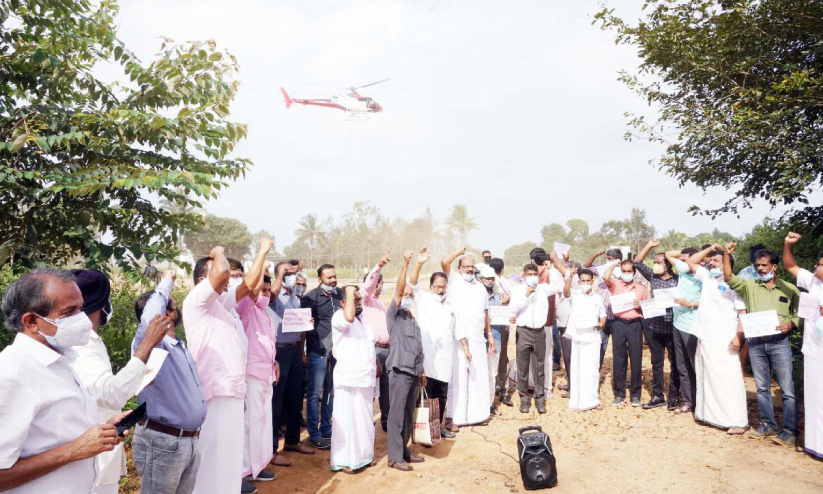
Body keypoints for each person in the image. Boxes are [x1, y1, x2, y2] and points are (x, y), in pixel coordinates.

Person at [0, 269, 129, 494]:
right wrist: (74, 450)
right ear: (31, 321)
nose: (83, 320)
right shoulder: (12, 374)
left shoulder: (63, 361)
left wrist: (102, 433)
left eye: (80, 308)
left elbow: (58, 435)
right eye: (69, 312)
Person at [69, 269, 166, 494]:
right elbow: (111, 394)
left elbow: (98, 390)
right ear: (103, 305)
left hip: (100, 444)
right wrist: (147, 344)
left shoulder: (88, 340)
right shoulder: (83, 344)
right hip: (93, 461)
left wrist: (138, 379)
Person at [184, 244, 251, 494]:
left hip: (231, 391)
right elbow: (222, 269)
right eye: (219, 276)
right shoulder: (196, 302)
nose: (226, 280)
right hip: (212, 392)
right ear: (203, 280)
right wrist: (217, 250)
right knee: (211, 459)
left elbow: (246, 286)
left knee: (229, 460)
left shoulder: (222, 305)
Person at [132, 271, 207, 494]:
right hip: (163, 442)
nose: (179, 311)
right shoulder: (152, 343)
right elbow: (148, 320)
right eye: (174, 307)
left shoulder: (177, 345)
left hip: (187, 441)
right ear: (164, 313)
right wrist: (166, 284)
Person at [724, 243, 800, 447]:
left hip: (780, 344)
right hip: (756, 344)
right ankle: (768, 425)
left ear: (774, 267)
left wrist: (791, 324)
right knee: (762, 388)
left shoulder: (789, 288)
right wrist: (726, 254)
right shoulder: (750, 286)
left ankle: (790, 431)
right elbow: (729, 278)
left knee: (787, 390)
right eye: (757, 265)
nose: (760, 269)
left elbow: (801, 313)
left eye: (764, 265)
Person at [686, 245, 749, 434]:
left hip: (725, 339)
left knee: (729, 379)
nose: (710, 263)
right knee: (707, 377)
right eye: (711, 260)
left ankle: (737, 420)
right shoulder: (707, 277)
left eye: (716, 261)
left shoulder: (735, 283)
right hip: (705, 335)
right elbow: (690, 262)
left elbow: (742, 313)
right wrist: (711, 249)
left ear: (727, 264)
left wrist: (739, 336)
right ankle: (709, 416)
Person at [236, 253, 279, 484]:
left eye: (267, 291)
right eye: (261, 290)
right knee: (248, 423)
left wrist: (274, 364)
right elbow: (249, 294)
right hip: (251, 374)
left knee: (263, 421)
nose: (264, 295)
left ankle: (258, 465)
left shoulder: (265, 314)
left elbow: (267, 345)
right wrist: (261, 263)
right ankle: (243, 471)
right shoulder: (246, 309)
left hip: (265, 374)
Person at [441, 247, 495, 427]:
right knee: (458, 378)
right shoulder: (454, 282)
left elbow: (486, 313)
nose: (470, 269)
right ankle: (454, 417)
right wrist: (458, 251)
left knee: (478, 376)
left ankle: (479, 415)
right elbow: (444, 263)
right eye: (466, 267)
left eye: (472, 266)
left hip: (478, 339)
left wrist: (490, 335)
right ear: (460, 269)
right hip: (458, 339)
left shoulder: (480, 287)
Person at [268, 262, 315, 464]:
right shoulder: (274, 295)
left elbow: (300, 326)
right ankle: (271, 449)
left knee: (295, 398)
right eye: (289, 274)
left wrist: (306, 326)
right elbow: (272, 293)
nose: (293, 278)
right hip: (280, 351)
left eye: (294, 274)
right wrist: (279, 274)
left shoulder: (296, 297)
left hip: (295, 350)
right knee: (276, 401)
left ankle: (293, 440)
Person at [329, 285, 379, 473]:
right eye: (354, 299)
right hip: (349, 378)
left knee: (365, 418)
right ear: (343, 302)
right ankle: (346, 460)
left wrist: (377, 366)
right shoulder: (340, 317)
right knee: (349, 420)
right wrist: (349, 291)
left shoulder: (363, 321)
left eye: (359, 299)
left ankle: (364, 456)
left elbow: (369, 345)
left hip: (365, 377)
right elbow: (348, 317)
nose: (358, 303)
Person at [386, 251, 427, 471]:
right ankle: (394, 457)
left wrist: (422, 372)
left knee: (408, 413)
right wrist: (406, 263)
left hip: (413, 371)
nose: (408, 297)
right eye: (405, 295)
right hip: (400, 371)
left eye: (412, 295)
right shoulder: (394, 316)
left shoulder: (413, 320)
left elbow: (418, 349)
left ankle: (403, 450)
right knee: (396, 414)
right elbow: (402, 288)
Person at [783, 232, 823, 458]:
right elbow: (790, 266)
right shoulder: (814, 282)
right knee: (814, 397)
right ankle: (813, 444)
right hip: (813, 351)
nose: (816, 266)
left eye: (819, 264)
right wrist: (787, 245)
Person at [410, 248, 456, 439]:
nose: (440, 289)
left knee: (441, 396)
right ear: (430, 287)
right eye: (437, 286)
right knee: (425, 396)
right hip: (428, 359)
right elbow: (411, 283)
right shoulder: (424, 299)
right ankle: (422, 431)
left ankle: (437, 428)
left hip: (445, 359)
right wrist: (419, 263)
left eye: (444, 286)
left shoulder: (450, 303)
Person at [633, 239, 681, 410]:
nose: (656, 265)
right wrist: (649, 246)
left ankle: (674, 396)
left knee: (675, 363)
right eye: (654, 263)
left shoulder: (678, 279)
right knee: (657, 363)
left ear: (668, 264)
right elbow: (637, 263)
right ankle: (657, 395)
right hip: (654, 327)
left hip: (673, 328)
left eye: (659, 262)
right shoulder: (653, 276)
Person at [508, 262, 563, 414]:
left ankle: (540, 399)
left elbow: (558, 283)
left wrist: (552, 266)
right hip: (523, 331)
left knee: (539, 367)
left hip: (539, 332)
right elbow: (512, 309)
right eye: (529, 275)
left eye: (535, 275)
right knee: (523, 367)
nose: (532, 278)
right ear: (523, 276)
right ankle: (524, 399)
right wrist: (527, 294)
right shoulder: (517, 290)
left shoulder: (544, 289)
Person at [301, 263, 342, 450]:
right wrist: (304, 351)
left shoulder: (339, 295)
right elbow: (304, 327)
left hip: (337, 351)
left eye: (334, 276)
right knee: (314, 394)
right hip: (317, 352)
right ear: (320, 279)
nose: (333, 280)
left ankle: (326, 428)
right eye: (329, 278)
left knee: (331, 391)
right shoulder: (310, 298)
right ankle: (314, 433)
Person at [603, 260, 648, 407]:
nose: (627, 274)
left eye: (629, 271)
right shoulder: (616, 284)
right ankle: (619, 394)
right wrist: (614, 264)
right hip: (618, 324)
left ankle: (636, 395)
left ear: (634, 273)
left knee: (636, 360)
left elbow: (648, 309)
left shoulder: (641, 288)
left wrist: (640, 306)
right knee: (619, 360)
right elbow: (605, 277)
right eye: (624, 271)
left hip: (635, 325)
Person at [562, 267, 606, 411]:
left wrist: (602, 323)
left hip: (592, 336)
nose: (585, 283)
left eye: (588, 281)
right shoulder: (575, 294)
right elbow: (565, 292)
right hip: (578, 337)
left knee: (592, 369)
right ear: (579, 281)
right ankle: (577, 401)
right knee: (577, 368)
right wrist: (571, 276)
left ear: (592, 282)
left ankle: (592, 400)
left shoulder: (598, 298)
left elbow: (603, 314)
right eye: (582, 281)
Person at [664, 247, 702, 415]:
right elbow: (668, 254)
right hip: (677, 324)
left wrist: (692, 304)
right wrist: (685, 254)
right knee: (682, 366)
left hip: (693, 326)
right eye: (683, 260)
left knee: (696, 366)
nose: (685, 263)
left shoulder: (702, 276)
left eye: (689, 261)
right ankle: (688, 401)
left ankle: (701, 403)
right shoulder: (682, 271)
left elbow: (710, 301)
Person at [361, 250, 392, 432]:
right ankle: (366, 422)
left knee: (388, 389)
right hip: (373, 351)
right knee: (370, 388)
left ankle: (387, 422)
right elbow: (368, 286)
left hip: (387, 350)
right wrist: (379, 266)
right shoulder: (365, 300)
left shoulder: (382, 305)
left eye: (381, 284)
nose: (379, 286)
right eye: (377, 283)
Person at [583, 248, 624, 367]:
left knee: (619, 349)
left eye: (610, 259)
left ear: (618, 260)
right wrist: (595, 253)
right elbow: (586, 266)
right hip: (601, 316)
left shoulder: (622, 272)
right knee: (598, 347)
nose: (608, 261)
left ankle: (618, 380)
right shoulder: (601, 270)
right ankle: (595, 374)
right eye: (607, 259)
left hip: (617, 317)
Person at [478, 264, 505, 415]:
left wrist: (509, 318)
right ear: (481, 279)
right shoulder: (476, 295)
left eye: (492, 279)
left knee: (492, 372)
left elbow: (502, 315)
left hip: (495, 338)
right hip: (479, 339)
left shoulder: (496, 296)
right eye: (487, 278)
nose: (490, 281)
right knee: (479, 371)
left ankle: (490, 404)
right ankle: (479, 404)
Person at [487, 257, 514, 406]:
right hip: (498, 324)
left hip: (498, 324)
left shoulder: (493, 282)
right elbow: (507, 299)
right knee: (501, 357)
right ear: (502, 269)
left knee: (499, 357)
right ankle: (501, 389)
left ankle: (500, 388)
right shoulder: (503, 282)